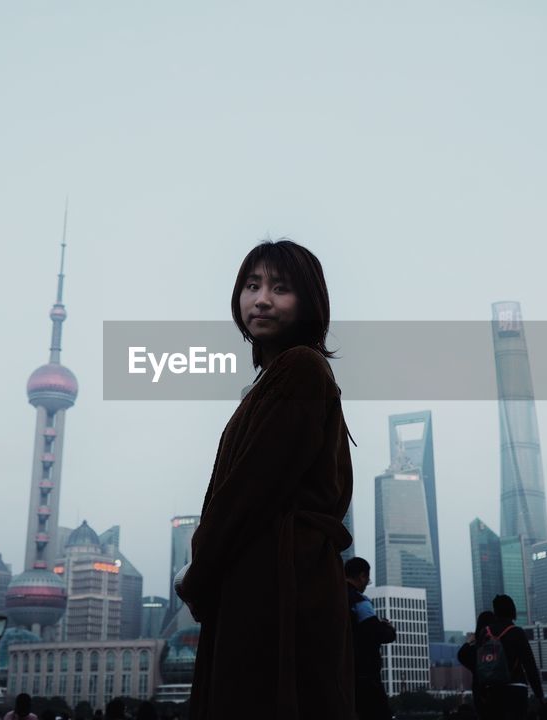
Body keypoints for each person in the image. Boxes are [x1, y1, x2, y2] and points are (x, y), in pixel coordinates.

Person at [177, 239, 356, 720]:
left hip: (278, 584)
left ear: (309, 301)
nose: (261, 299)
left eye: (280, 288)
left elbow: (248, 492)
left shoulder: (300, 369)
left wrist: (198, 576)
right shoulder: (278, 378)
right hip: (269, 576)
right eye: (252, 286)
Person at [472, 595, 544, 720]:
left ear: (495, 611)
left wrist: (481, 692)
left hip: (492, 690)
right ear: (513, 611)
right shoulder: (516, 632)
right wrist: (539, 695)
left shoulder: (485, 632)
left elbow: (478, 664)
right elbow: (530, 666)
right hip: (516, 689)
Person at [345, 557, 396, 720]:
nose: (367, 584)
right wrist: (388, 629)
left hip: (341, 674)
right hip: (365, 676)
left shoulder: (335, 595)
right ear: (362, 576)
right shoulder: (359, 600)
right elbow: (376, 633)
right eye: (367, 579)